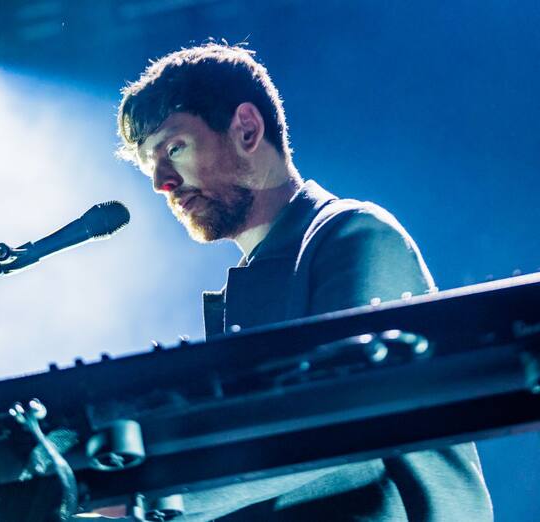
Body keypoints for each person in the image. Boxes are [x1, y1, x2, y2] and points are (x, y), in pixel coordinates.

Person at [117, 43, 492, 521]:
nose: (161, 182)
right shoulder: (243, 295)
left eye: (173, 148)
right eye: (150, 165)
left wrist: (153, 501)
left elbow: (342, 418)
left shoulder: (354, 234)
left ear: (247, 129)